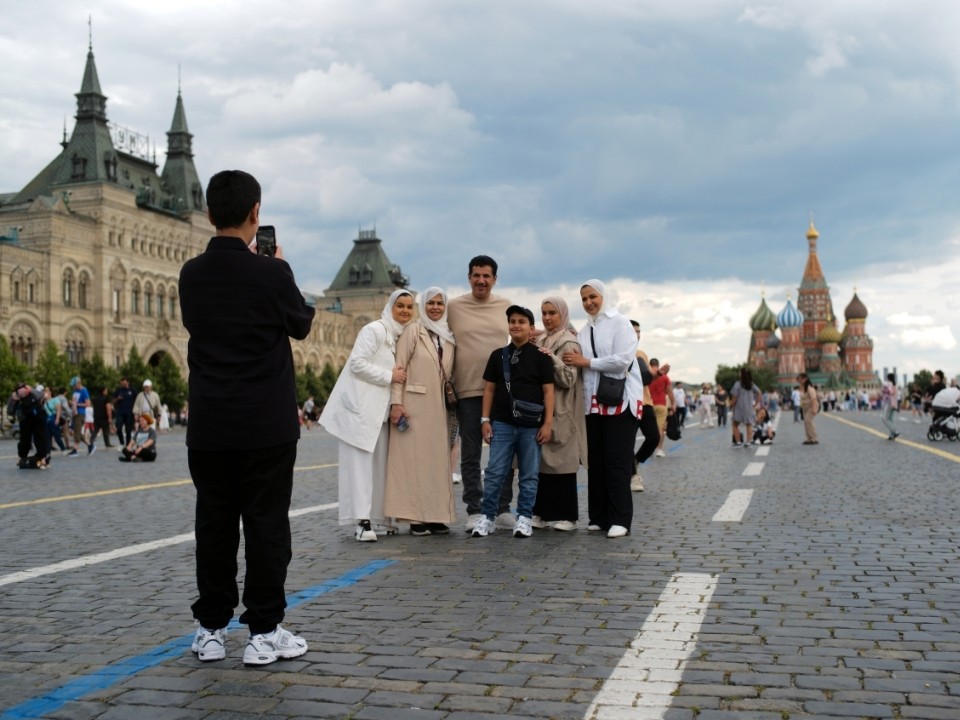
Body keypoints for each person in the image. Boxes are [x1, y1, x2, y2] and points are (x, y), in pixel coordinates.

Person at [179, 169, 315, 666]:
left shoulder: (191, 274)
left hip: (211, 425)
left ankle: (210, 629)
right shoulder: (272, 273)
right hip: (266, 426)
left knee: (213, 525)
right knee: (266, 526)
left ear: (210, 213)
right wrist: (282, 271)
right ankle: (263, 631)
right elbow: (301, 323)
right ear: (256, 214)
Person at [320, 289, 413, 542]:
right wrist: (389, 376)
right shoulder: (374, 330)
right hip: (359, 412)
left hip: (379, 414)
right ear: (390, 307)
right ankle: (361, 522)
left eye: (409, 307)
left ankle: (379, 519)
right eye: (400, 306)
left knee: (379, 467)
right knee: (358, 468)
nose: (405, 311)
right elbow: (356, 363)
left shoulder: (398, 335)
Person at [562, 280, 643, 539]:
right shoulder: (585, 330)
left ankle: (620, 519)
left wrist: (587, 361)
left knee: (617, 462)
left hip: (621, 401)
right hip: (594, 405)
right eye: (584, 298)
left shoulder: (621, 323)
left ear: (603, 296)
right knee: (595, 462)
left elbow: (622, 361)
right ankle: (599, 516)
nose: (588, 302)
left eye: (592, 297)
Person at [472, 305, 555, 539]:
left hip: (532, 426)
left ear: (531, 328)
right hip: (502, 423)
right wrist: (485, 419)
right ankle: (487, 517)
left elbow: (549, 392)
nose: (516, 325)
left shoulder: (542, 357)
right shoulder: (498, 356)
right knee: (495, 472)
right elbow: (489, 390)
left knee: (529, 474)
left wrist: (547, 424)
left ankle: (524, 518)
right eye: (512, 321)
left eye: (521, 321)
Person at [384, 287, 458, 536]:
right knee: (411, 463)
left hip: (439, 409)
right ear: (423, 306)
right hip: (413, 406)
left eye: (440, 303)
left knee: (436, 463)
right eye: (430, 303)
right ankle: (414, 517)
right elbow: (399, 368)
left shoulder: (448, 337)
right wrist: (396, 403)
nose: (435, 307)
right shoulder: (413, 331)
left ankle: (436, 515)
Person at [447, 255, 513, 532]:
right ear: (469, 277)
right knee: (471, 453)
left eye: (486, 276)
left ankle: (502, 508)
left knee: (505, 451)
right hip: (468, 389)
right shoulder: (454, 306)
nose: (481, 280)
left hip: (502, 391)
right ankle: (474, 509)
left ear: (495, 279)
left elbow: (522, 334)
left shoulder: (507, 306)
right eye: (476, 275)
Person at [531, 297, 586, 531]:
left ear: (562, 314)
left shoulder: (568, 341)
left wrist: (550, 359)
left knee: (562, 463)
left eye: (552, 312)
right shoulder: (542, 339)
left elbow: (569, 378)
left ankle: (568, 516)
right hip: (542, 408)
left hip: (563, 408)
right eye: (544, 312)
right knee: (542, 463)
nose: (547, 317)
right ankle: (541, 512)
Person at [629, 320, 659, 492]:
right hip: (628, 403)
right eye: (634, 331)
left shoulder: (642, 353)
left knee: (654, 437)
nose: (637, 335)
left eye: (639, 331)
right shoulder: (620, 352)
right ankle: (633, 476)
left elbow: (647, 379)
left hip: (645, 401)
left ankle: (635, 461)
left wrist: (658, 374)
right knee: (628, 442)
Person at [8, 382, 48, 469]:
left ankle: (26, 458)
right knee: (33, 438)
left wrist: (31, 390)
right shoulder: (22, 394)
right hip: (32, 418)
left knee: (32, 439)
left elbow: (10, 410)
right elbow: (44, 396)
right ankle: (39, 459)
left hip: (31, 418)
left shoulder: (22, 394)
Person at [647, 358, 673, 458]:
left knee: (649, 429)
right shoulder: (664, 376)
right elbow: (669, 392)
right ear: (658, 365)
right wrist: (673, 404)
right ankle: (659, 449)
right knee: (660, 428)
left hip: (648, 404)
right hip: (661, 404)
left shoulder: (648, 375)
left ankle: (649, 448)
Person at [729, 367, 759, 447]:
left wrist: (731, 405)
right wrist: (756, 403)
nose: (738, 374)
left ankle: (738, 441)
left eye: (739, 373)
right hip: (749, 408)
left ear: (742, 375)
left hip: (739, 408)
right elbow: (759, 393)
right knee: (749, 425)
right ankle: (748, 441)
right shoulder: (751, 384)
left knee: (734, 424)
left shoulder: (737, 384)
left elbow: (734, 398)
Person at [68, 376, 93, 456]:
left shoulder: (84, 391)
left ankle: (75, 450)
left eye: (74, 385)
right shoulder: (75, 391)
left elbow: (88, 403)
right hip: (75, 412)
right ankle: (90, 446)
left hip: (80, 413)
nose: (74, 387)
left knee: (77, 432)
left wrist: (77, 404)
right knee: (76, 431)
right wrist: (71, 403)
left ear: (79, 383)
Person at [114, 377, 136, 448]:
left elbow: (137, 400)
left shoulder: (132, 390)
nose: (123, 384)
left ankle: (128, 444)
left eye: (124, 383)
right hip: (120, 412)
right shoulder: (118, 390)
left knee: (128, 430)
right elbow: (113, 401)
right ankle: (121, 443)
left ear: (128, 382)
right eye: (121, 383)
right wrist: (118, 399)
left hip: (129, 413)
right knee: (118, 428)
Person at [798, 372, 819, 444]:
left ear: (805, 379)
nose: (799, 380)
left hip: (811, 407)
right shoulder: (803, 388)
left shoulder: (810, 388)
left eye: (801, 379)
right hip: (805, 408)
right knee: (806, 422)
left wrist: (814, 409)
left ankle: (814, 438)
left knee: (808, 421)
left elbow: (814, 399)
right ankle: (808, 438)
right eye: (799, 379)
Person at [880, 373, 900, 440]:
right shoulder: (895, 384)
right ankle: (892, 435)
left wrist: (884, 390)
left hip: (889, 402)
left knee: (884, 418)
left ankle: (895, 431)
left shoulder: (889, 384)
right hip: (894, 403)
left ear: (888, 378)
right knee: (890, 419)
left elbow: (891, 392)